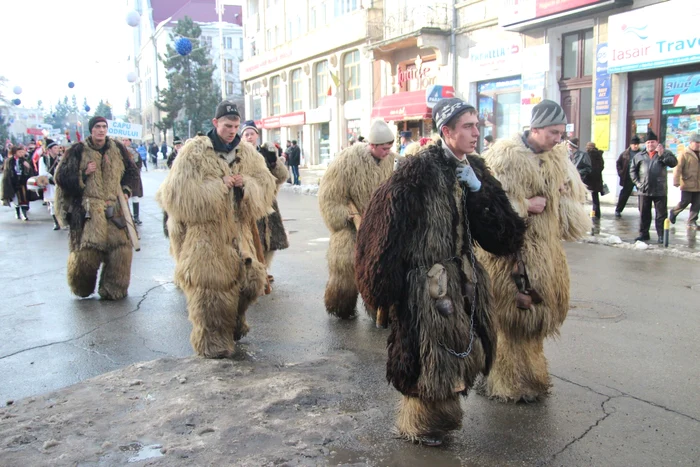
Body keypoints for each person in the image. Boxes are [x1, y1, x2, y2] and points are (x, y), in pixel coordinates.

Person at [355, 98, 526, 446]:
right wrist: (384, 291)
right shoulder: (416, 173)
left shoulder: (475, 169)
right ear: (446, 131)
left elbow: (505, 235)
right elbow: (383, 232)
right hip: (426, 283)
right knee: (428, 360)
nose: (476, 132)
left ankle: (436, 421)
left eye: (477, 125)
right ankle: (420, 424)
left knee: (465, 353)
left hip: (464, 279)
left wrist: (479, 191)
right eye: (467, 126)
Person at [478, 99, 590, 402]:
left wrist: (564, 196)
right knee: (510, 321)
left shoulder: (557, 159)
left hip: (546, 256)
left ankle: (532, 377)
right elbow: (488, 208)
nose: (559, 139)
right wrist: (525, 205)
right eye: (554, 132)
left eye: (561, 132)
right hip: (510, 257)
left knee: (536, 321)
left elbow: (571, 213)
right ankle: (504, 381)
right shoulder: (503, 159)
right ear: (536, 128)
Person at [156, 101, 276, 358]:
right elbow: (175, 194)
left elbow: (266, 185)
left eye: (235, 126)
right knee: (211, 291)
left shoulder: (248, 153)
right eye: (227, 126)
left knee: (250, 283)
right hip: (205, 236)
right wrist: (218, 185)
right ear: (215, 123)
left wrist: (246, 186)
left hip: (239, 232)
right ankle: (212, 343)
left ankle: (233, 324)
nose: (232, 131)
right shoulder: (194, 152)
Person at [318, 119, 401, 320]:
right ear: (371, 145)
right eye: (383, 148)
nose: (387, 152)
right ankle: (341, 303)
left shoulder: (395, 161)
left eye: (390, 147)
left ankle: (380, 309)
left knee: (382, 269)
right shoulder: (346, 161)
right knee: (345, 264)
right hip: (352, 226)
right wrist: (347, 216)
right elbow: (329, 196)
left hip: (382, 227)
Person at [54, 116, 140, 300]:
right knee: (86, 255)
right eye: (97, 127)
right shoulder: (77, 151)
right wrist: (83, 174)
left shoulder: (117, 149)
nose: (101, 130)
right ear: (91, 130)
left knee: (121, 250)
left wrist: (126, 190)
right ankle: (81, 287)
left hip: (113, 208)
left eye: (104, 127)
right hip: (88, 211)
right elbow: (61, 178)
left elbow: (132, 172)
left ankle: (113, 288)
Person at [241, 120, 290, 281]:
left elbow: (282, 177)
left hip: (268, 204)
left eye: (251, 134)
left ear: (257, 136)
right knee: (250, 240)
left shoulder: (264, 152)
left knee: (269, 241)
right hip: (248, 204)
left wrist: (274, 162)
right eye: (246, 134)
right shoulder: (238, 154)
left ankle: (263, 269)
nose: (249, 137)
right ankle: (251, 272)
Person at [629, 128, 678, 243]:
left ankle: (661, 235)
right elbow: (632, 171)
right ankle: (644, 234)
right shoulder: (639, 155)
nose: (650, 144)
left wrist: (662, 155)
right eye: (648, 142)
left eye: (652, 142)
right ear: (645, 144)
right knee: (644, 214)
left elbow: (673, 163)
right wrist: (638, 183)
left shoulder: (664, 153)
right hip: (644, 189)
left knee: (661, 215)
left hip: (659, 190)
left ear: (657, 142)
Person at [669, 132, 700, 229]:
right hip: (687, 182)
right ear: (691, 142)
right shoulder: (684, 153)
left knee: (697, 203)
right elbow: (677, 168)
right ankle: (674, 211)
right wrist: (676, 181)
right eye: (697, 142)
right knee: (685, 202)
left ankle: (692, 221)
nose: (698, 144)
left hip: (698, 183)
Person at [2, 145, 32, 220]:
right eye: (19, 152)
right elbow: (7, 172)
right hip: (13, 182)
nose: (21, 153)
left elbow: (29, 170)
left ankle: (24, 213)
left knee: (24, 198)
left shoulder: (23, 160)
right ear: (15, 153)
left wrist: (28, 167)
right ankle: (17, 211)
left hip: (22, 181)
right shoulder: (9, 161)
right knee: (16, 199)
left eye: (22, 152)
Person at [615, 135, 641, 217]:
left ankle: (643, 211)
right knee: (624, 194)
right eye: (634, 144)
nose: (635, 146)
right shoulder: (625, 153)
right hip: (628, 177)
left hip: (639, 177)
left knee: (642, 195)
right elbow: (618, 163)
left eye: (637, 144)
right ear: (630, 144)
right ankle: (618, 210)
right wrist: (621, 172)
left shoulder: (642, 153)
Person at [38, 138, 61, 230]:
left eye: (57, 148)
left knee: (61, 203)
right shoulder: (43, 159)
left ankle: (61, 220)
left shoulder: (60, 159)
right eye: (55, 148)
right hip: (50, 184)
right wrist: (52, 178)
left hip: (60, 184)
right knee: (52, 203)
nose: (57, 149)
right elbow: (42, 172)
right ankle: (56, 222)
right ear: (49, 149)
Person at [122, 138, 144, 225]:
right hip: (123, 178)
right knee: (124, 197)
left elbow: (139, 164)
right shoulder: (119, 151)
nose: (124, 142)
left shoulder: (135, 153)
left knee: (135, 197)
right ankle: (127, 216)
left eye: (126, 140)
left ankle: (136, 217)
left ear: (130, 141)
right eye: (123, 140)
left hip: (133, 178)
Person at [584, 141, 605, 219]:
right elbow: (602, 167)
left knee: (582, 196)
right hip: (597, 179)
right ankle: (596, 213)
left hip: (588, 179)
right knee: (595, 198)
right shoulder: (599, 155)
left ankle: (583, 213)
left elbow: (586, 166)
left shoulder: (588, 155)